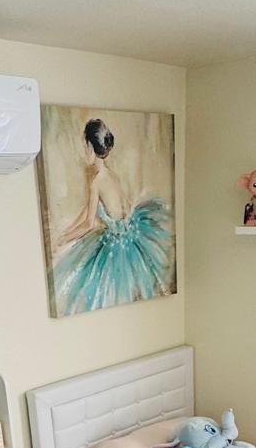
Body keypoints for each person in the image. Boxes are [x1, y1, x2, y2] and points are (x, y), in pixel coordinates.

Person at [53, 118, 173, 314]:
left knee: (99, 291)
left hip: (117, 245)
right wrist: (66, 231)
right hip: (131, 236)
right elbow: (86, 212)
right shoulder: (110, 175)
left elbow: (89, 224)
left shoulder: (96, 182)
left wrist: (64, 239)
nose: (84, 151)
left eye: (85, 145)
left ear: (91, 147)